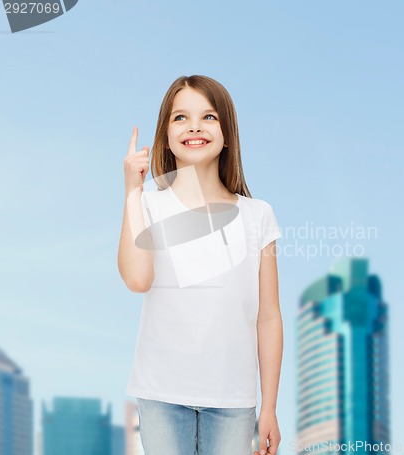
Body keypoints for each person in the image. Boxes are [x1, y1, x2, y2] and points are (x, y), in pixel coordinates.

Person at [117, 75, 283, 455]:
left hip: (233, 399)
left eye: (208, 117)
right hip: (161, 394)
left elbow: (269, 316)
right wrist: (131, 191)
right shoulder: (147, 205)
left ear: (227, 134)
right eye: (180, 118)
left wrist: (269, 406)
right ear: (165, 135)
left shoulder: (258, 215)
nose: (194, 126)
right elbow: (138, 280)